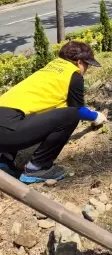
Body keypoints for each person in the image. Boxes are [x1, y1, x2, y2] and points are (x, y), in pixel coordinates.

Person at [0, 41, 106, 183]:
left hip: (6, 122)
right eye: (87, 64)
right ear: (79, 62)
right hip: (7, 132)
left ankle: (4, 162)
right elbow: (78, 110)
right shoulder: (73, 75)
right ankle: (37, 167)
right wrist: (96, 116)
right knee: (71, 114)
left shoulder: (49, 69)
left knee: (28, 111)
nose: (87, 68)